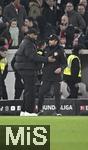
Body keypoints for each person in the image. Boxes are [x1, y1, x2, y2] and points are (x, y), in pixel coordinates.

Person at [14, 28, 56, 116]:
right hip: (28, 69)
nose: (36, 36)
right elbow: (32, 57)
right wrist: (46, 59)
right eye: (35, 34)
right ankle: (29, 111)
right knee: (31, 91)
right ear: (30, 34)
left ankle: (24, 111)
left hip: (24, 68)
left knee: (27, 90)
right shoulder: (28, 43)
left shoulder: (25, 42)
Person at [37, 34, 67, 116]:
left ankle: (58, 111)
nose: (49, 41)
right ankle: (40, 109)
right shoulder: (45, 49)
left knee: (57, 93)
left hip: (56, 76)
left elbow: (65, 63)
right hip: (46, 75)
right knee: (41, 93)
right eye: (49, 40)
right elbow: (41, 59)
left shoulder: (60, 49)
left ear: (56, 41)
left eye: (51, 40)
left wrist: (61, 68)